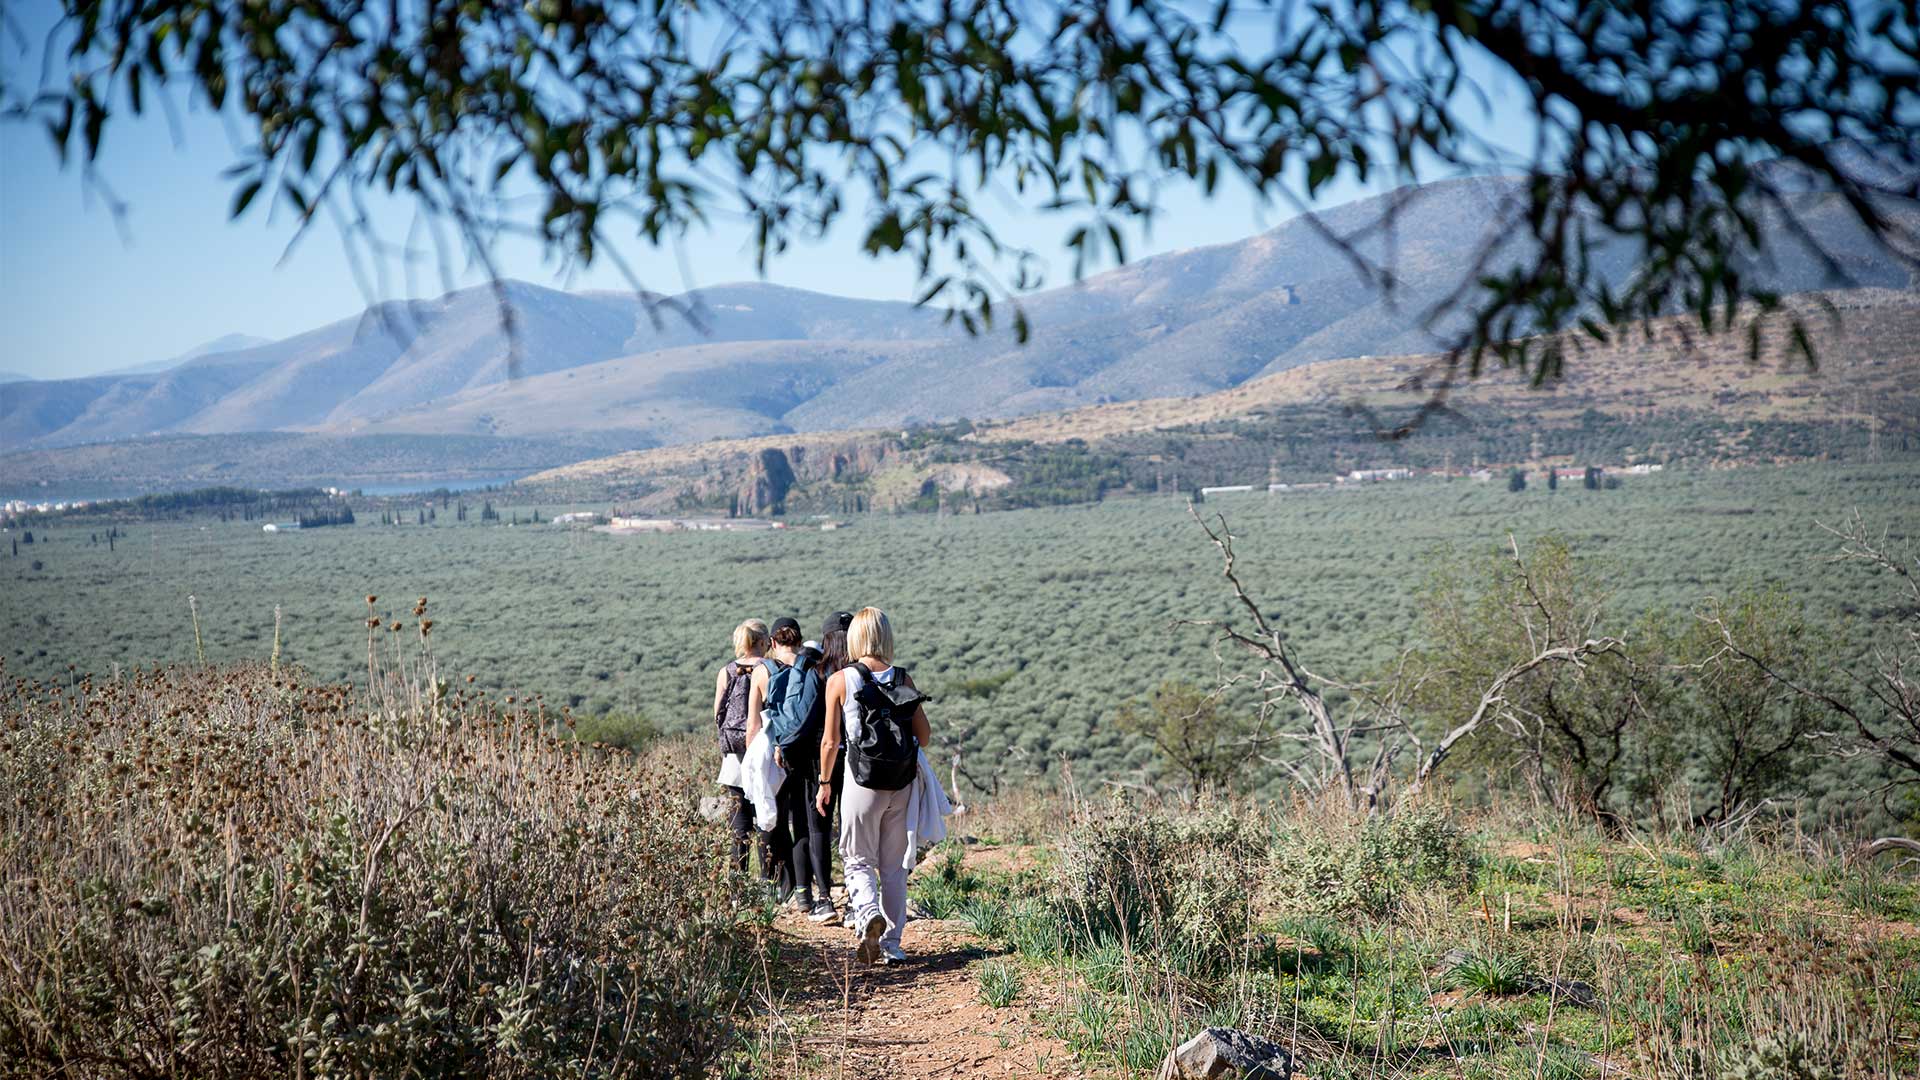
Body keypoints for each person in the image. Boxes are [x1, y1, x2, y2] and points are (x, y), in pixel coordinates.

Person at [817, 607, 930, 965]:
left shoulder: (840, 680)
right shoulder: (903, 679)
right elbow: (924, 737)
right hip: (901, 783)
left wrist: (823, 783)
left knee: (857, 859)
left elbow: (829, 742)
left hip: (861, 781)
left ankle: (867, 915)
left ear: (855, 639)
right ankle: (893, 944)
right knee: (894, 867)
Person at [747, 616, 831, 912]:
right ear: (799, 639)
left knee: (775, 821)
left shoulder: (762, 670)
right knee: (805, 824)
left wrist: (753, 765)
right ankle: (804, 893)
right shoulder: (813, 666)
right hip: (806, 756)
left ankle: (775, 887)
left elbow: (753, 724)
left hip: (774, 756)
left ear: (771, 643)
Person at [713, 619, 769, 876]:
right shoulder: (769, 668)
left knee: (740, 823)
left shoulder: (726, 671)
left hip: (734, 753)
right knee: (765, 818)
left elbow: (718, 713)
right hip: (763, 751)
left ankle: (737, 881)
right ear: (762, 641)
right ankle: (770, 881)